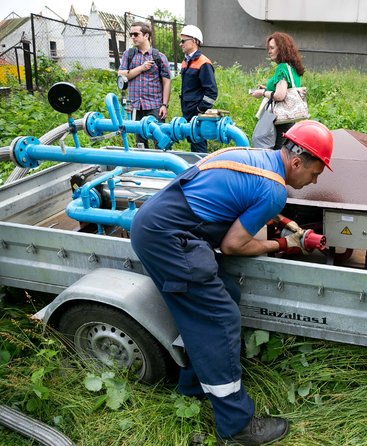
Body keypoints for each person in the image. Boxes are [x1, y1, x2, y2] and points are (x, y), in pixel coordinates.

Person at [130, 120, 334, 445]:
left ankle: (194, 385)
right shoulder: (274, 190)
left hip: (158, 223)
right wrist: (285, 245)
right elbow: (232, 246)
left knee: (227, 293)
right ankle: (236, 426)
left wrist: (283, 222)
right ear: (296, 162)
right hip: (170, 239)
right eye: (314, 173)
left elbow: (239, 199)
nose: (313, 181)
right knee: (219, 318)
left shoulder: (255, 156)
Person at [118, 21, 171, 148]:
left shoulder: (158, 57)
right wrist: (141, 68)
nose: (132, 37)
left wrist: (164, 105)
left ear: (146, 36)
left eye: (136, 34)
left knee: (160, 140)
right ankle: (146, 166)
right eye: (131, 34)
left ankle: (164, 166)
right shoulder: (129, 55)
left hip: (154, 105)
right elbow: (121, 74)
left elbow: (166, 81)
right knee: (140, 143)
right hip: (136, 106)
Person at [251, 32, 306, 150]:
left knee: (277, 153)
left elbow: (280, 95)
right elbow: (285, 90)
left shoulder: (282, 68)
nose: (269, 51)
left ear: (281, 49)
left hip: (281, 120)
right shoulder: (292, 68)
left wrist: (261, 93)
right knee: (286, 152)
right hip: (289, 118)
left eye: (272, 48)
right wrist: (267, 89)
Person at [179, 25, 218, 153]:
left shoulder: (203, 63)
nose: (181, 44)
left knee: (199, 148)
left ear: (194, 41)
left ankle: (202, 171)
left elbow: (211, 93)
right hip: (188, 112)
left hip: (197, 114)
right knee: (194, 146)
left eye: (183, 41)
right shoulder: (186, 62)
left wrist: (200, 110)